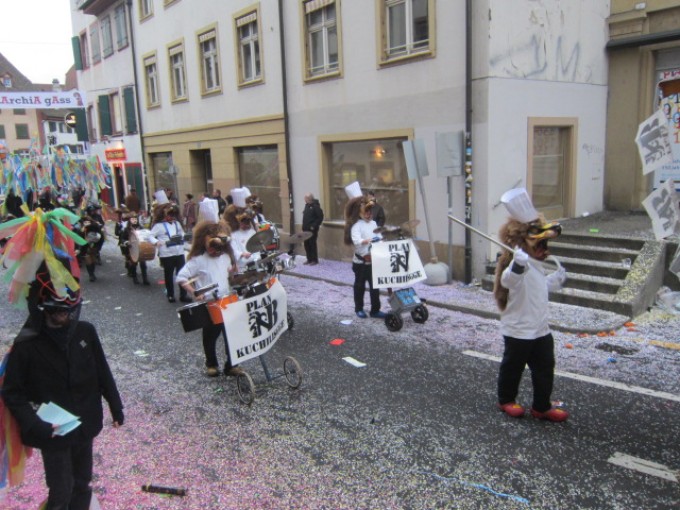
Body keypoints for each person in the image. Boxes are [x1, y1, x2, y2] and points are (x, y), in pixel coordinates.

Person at [2, 265, 124, 510]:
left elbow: (101, 370)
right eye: (57, 311)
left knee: (82, 483)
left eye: (67, 311)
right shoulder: (27, 345)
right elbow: (12, 392)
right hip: (53, 429)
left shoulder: (85, 332)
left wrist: (115, 405)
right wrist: (34, 424)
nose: (63, 317)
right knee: (61, 488)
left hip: (84, 420)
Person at [493, 188, 568, 422]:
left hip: (540, 329)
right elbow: (509, 281)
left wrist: (554, 281)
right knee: (513, 367)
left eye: (546, 245)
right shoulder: (518, 265)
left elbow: (537, 287)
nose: (545, 250)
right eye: (540, 245)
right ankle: (506, 400)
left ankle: (541, 406)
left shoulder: (535, 265)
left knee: (545, 367)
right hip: (519, 330)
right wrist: (517, 265)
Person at [176, 221, 244, 377]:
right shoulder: (198, 260)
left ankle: (232, 365)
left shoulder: (226, 257)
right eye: (211, 248)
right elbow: (181, 277)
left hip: (226, 301)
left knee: (231, 335)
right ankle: (211, 364)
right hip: (210, 303)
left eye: (218, 248)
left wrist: (234, 273)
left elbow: (229, 275)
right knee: (210, 336)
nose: (214, 251)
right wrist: (194, 292)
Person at [343, 196, 386, 319]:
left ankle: (375, 310)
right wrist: (368, 240)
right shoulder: (356, 226)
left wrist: (380, 241)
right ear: (359, 213)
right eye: (366, 212)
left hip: (373, 262)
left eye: (370, 211)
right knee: (359, 286)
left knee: (375, 287)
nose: (369, 214)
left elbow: (379, 236)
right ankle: (359, 308)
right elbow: (356, 241)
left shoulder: (374, 223)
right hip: (360, 263)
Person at [150, 203, 191, 303]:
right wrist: (156, 242)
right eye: (170, 215)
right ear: (164, 215)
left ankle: (183, 295)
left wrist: (186, 238)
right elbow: (150, 236)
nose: (172, 217)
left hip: (179, 252)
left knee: (181, 274)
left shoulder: (177, 224)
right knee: (168, 275)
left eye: (173, 215)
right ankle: (170, 295)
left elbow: (182, 234)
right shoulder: (158, 226)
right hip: (166, 253)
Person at [120, 213, 152, 285]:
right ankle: (135, 278)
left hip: (141, 248)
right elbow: (122, 239)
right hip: (132, 249)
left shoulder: (140, 228)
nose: (134, 220)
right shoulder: (126, 229)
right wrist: (127, 242)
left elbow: (145, 235)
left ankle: (145, 279)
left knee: (143, 264)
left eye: (135, 219)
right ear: (129, 220)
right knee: (133, 264)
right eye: (132, 219)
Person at [302, 193, 324, 265]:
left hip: (312, 230)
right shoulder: (307, 206)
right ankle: (309, 259)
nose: (304, 199)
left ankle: (314, 260)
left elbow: (320, 217)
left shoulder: (315, 206)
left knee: (312, 244)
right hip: (305, 229)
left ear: (309, 198)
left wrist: (313, 226)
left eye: (305, 198)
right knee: (306, 244)